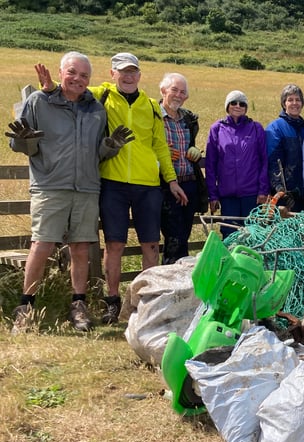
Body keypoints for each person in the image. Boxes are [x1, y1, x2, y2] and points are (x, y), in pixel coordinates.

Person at [38, 52, 189, 324]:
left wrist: (171, 180)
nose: (128, 76)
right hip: (113, 182)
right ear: (112, 74)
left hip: (147, 183)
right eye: (122, 71)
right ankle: (112, 302)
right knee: (115, 244)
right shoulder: (100, 95)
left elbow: (159, 146)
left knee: (151, 245)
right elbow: (71, 90)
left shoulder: (151, 105)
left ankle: (146, 303)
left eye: (133, 71)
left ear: (140, 75)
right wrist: (48, 89)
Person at [9, 52, 132, 332]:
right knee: (42, 245)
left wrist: (111, 146)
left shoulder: (95, 109)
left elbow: (97, 154)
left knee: (80, 248)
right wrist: (23, 141)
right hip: (50, 185)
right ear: (61, 72)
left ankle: (78, 306)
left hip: (86, 188)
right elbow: (21, 144)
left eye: (84, 75)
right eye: (72, 72)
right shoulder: (39, 101)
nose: (78, 79)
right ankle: (26, 308)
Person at [205, 90, 269, 239]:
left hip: (251, 195)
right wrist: (213, 195)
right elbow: (210, 164)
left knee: (253, 235)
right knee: (230, 236)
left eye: (242, 103)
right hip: (227, 196)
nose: (237, 106)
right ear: (227, 106)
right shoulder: (217, 128)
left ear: (246, 108)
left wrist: (263, 190)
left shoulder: (255, 128)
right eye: (233, 103)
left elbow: (264, 160)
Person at [158, 72, 204, 264]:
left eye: (182, 92)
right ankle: (169, 277)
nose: (178, 95)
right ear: (163, 91)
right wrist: (160, 156)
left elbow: (191, 145)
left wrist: (195, 152)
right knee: (174, 238)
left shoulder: (188, 119)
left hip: (189, 183)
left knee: (183, 235)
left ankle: (180, 283)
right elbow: (143, 147)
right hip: (166, 185)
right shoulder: (154, 117)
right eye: (174, 90)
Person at [265, 84, 304, 213]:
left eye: (298, 100)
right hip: (284, 198)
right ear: (284, 103)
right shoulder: (275, 128)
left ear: (302, 103)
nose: (294, 103)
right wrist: (281, 190)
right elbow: (273, 162)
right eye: (290, 100)